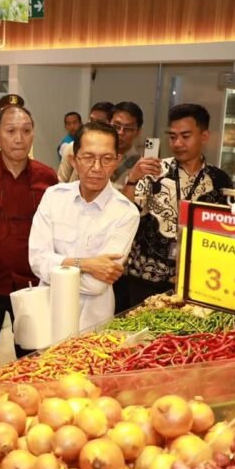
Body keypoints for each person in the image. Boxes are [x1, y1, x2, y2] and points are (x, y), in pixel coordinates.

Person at [0, 105, 58, 382]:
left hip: (32, 285)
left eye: (26, 131)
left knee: (32, 362)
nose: (19, 138)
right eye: (11, 131)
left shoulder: (47, 177)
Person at [30, 122, 140, 330]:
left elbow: (97, 284)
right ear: (74, 160)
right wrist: (86, 264)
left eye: (106, 159)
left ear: (117, 161)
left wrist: (56, 266)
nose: (97, 168)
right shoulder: (54, 197)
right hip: (47, 320)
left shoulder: (126, 212)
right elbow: (36, 261)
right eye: (88, 157)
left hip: (92, 326)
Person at [123, 104, 233, 307]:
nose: (177, 143)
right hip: (146, 277)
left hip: (195, 280)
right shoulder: (153, 170)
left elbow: (226, 230)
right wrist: (131, 180)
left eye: (185, 136)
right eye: (172, 136)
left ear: (204, 136)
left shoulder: (219, 180)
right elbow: (123, 214)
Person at [59, 102, 120, 182]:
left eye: (99, 122)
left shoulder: (114, 152)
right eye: (91, 119)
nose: (92, 124)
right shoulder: (73, 147)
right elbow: (61, 182)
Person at [109, 101, 146, 190]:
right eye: (116, 126)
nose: (121, 132)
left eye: (128, 128)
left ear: (138, 131)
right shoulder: (91, 157)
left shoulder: (141, 166)